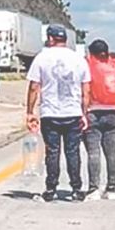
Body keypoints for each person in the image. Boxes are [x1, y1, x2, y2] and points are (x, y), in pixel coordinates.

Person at [26, 24, 92, 202]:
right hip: (73, 112)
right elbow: (86, 90)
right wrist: (84, 113)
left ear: (50, 38)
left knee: (52, 152)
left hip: (50, 112)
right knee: (73, 152)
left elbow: (34, 87)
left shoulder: (41, 58)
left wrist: (30, 112)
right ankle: (77, 189)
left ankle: (50, 188)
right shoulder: (79, 59)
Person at [84, 39, 115, 200]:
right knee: (112, 152)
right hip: (113, 113)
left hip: (93, 112)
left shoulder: (89, 65)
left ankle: (93, 189)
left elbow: (86, 90)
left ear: (91, 53)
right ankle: (111, 189)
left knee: (93, 152)